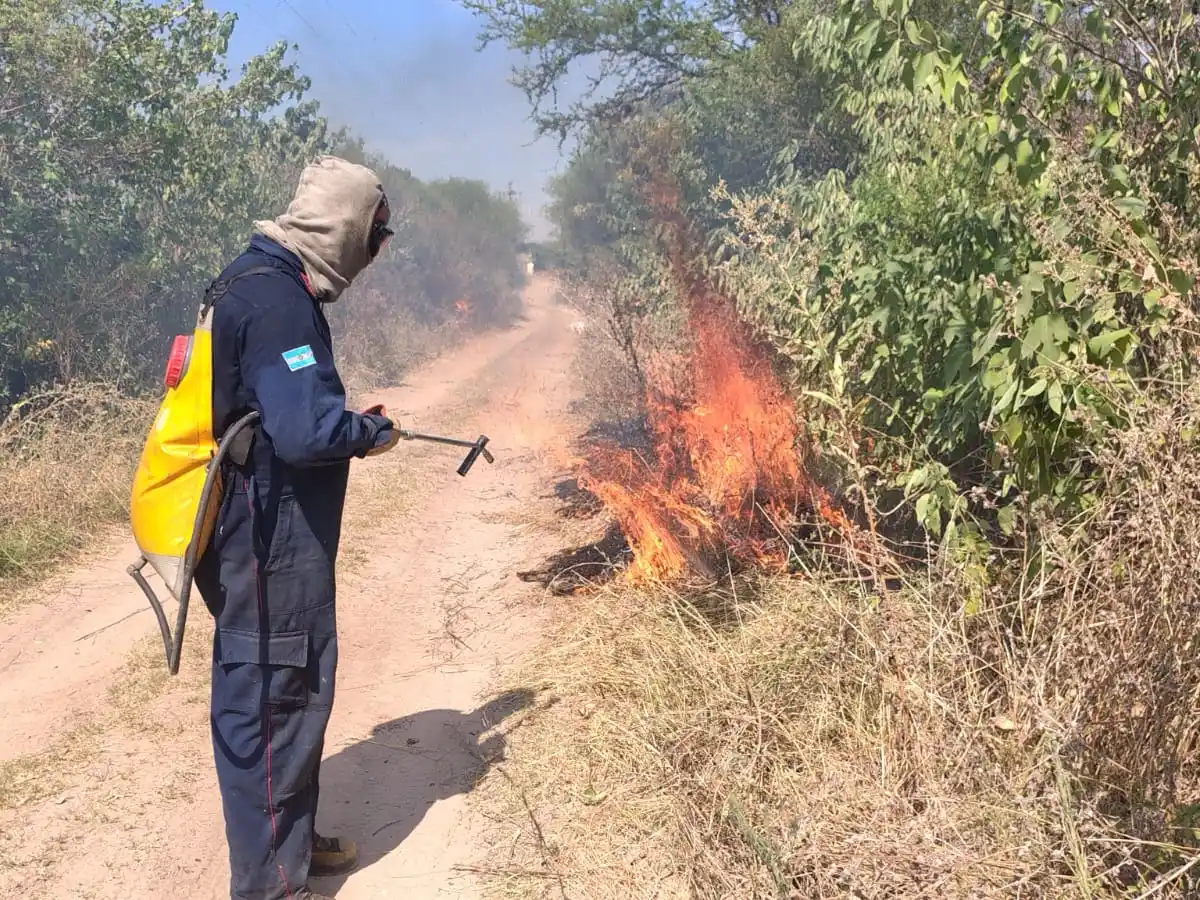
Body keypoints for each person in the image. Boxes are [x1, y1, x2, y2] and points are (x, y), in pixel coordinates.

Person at [194, 155, 400, 900]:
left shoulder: (256, 277)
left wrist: (347, 422)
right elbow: (306, 432)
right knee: (274, 698)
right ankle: (269, 886)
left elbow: (287, 411)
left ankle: (293, 847)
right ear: (344, 228)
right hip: (265, 539)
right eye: (373, 238)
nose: (373, 255)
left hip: (259, 534)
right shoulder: (278, 300)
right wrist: (367, 434)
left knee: (290, 690)